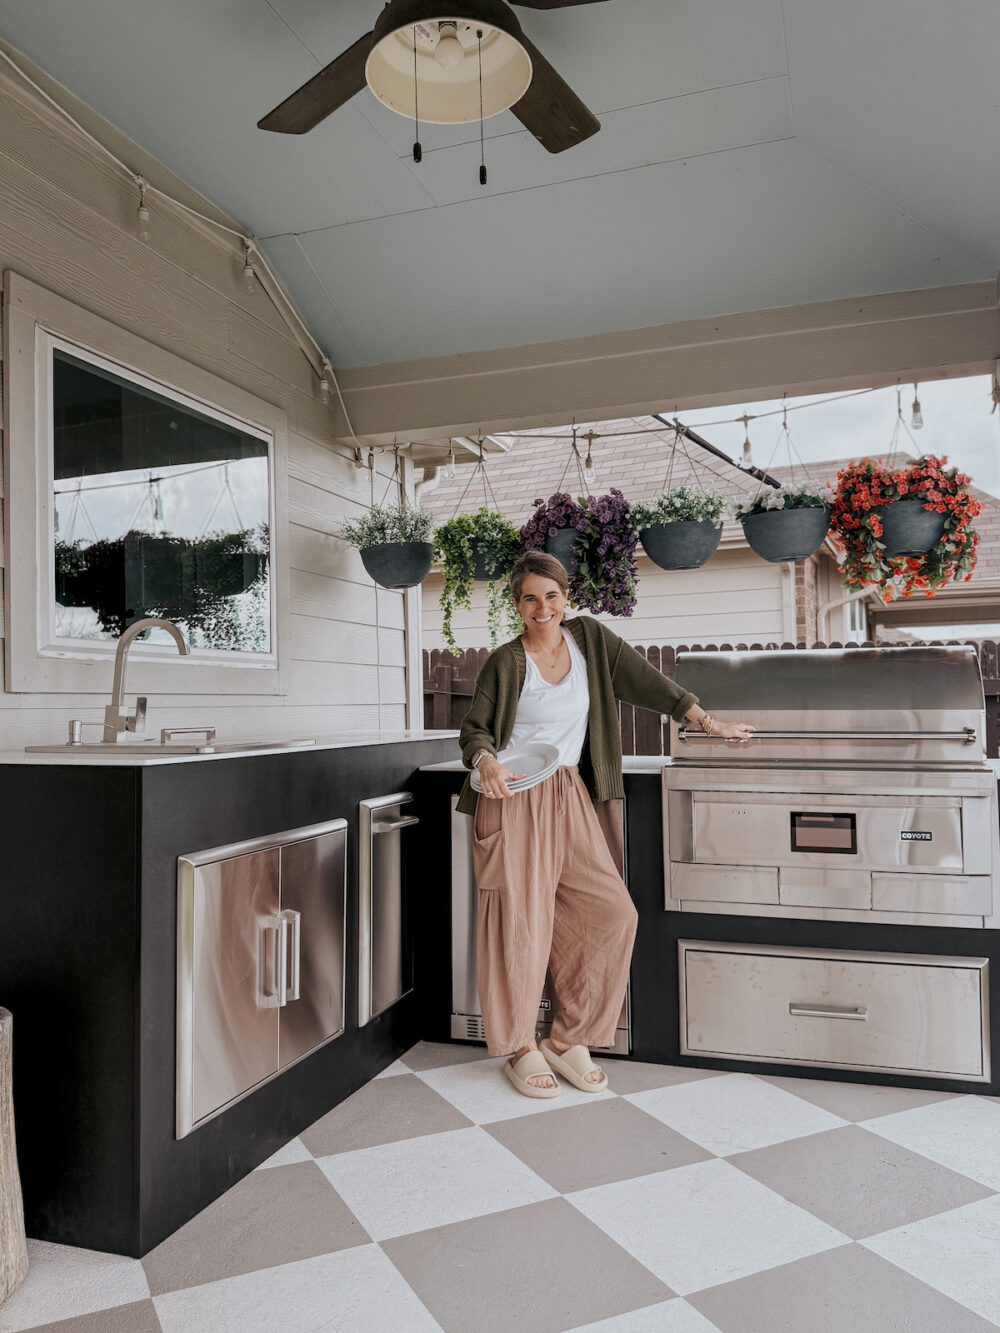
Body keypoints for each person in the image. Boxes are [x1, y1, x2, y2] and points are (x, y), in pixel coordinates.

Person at [458, 550, 755, 1097]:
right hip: (513, 797)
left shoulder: (589, 641)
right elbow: (474, 730)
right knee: (520, 924)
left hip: (569, 791)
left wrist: (710, 724)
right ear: (517, 604)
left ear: (565, 597)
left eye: (551, 596)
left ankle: (567, 1039)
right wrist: (486, 759)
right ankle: (521, 1045)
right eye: (530, 598)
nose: (542, 607)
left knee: (610, 912)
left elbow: (650, 684)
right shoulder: (505, 661)